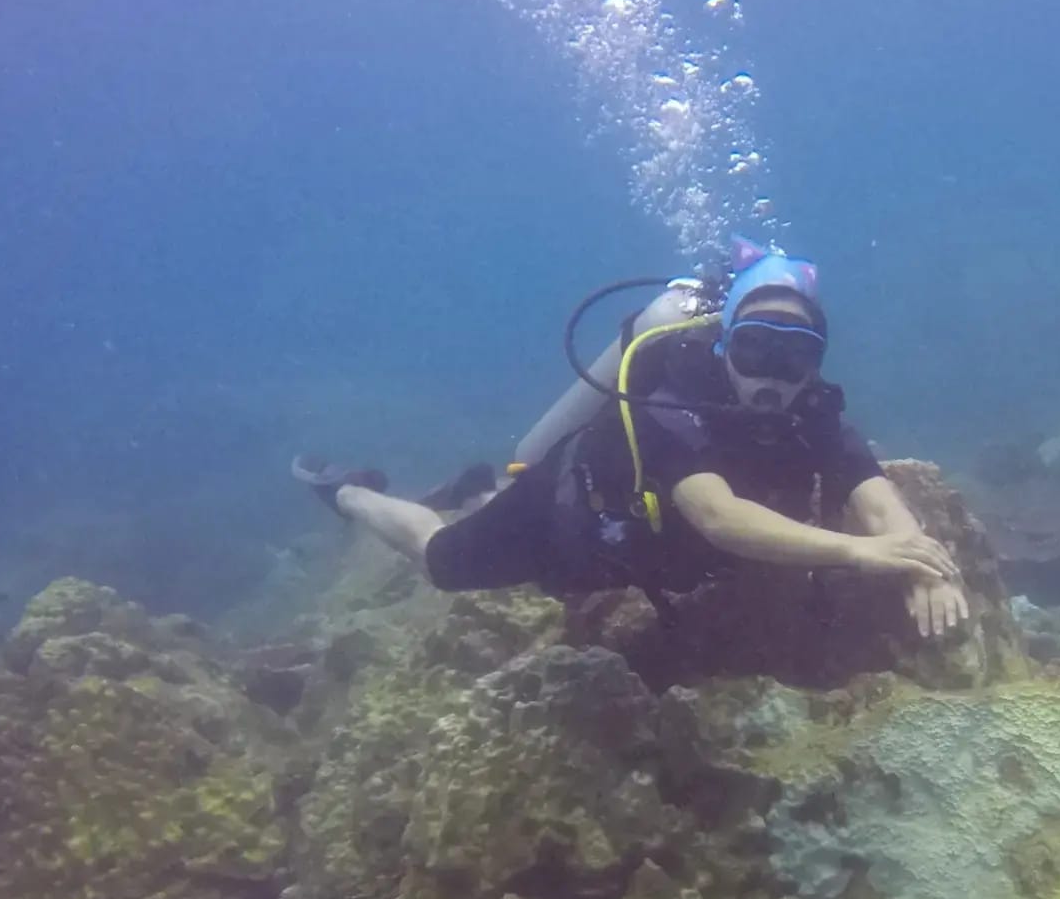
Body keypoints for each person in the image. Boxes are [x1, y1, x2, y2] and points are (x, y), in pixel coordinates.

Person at [293, 240, 968, 638]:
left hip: (664, 566)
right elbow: (716, 516)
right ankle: (349, 493)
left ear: (816, 363)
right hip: (568, 530)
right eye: (755, 348)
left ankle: (477, 487)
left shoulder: (810, 411)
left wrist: (917, 561)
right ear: (723, 343)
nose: (772, 377)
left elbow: (873, 495)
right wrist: (863, 554)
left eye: (794, 358)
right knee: (437, 556)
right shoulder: (670, 392)